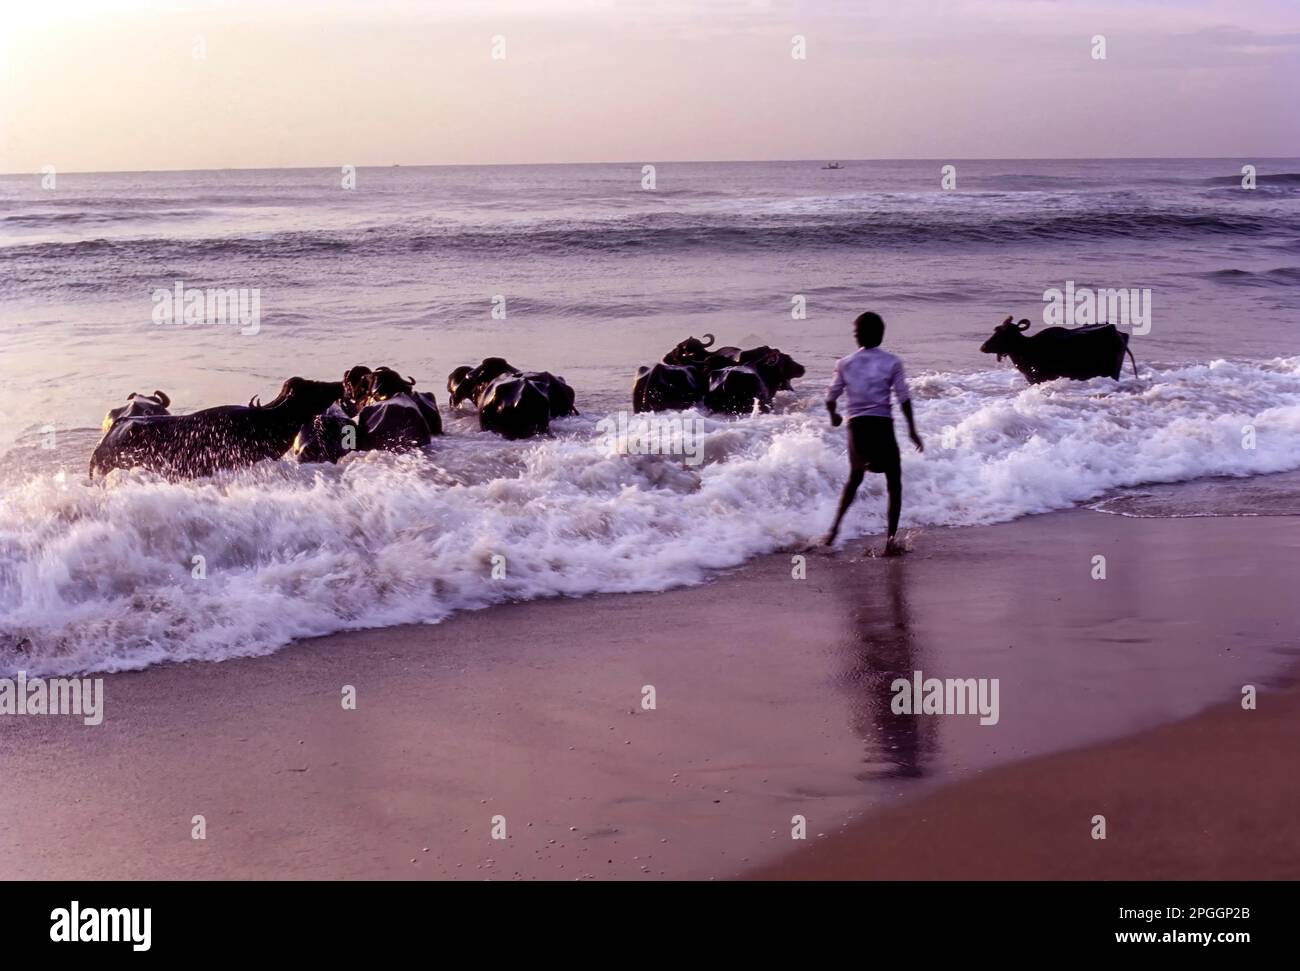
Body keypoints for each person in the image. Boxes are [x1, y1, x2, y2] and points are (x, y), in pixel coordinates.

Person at [824, 311, 923, 553]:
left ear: (857, 336)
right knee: (894, 483)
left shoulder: (844, 363)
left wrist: (835, 416)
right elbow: (904, 398)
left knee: (855, 478)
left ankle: (833, 529)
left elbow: (830, 398)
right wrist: (912, 430)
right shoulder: (892, 362)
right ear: (880, 335)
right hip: (882, 428)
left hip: (857, 429)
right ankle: (890, 539)